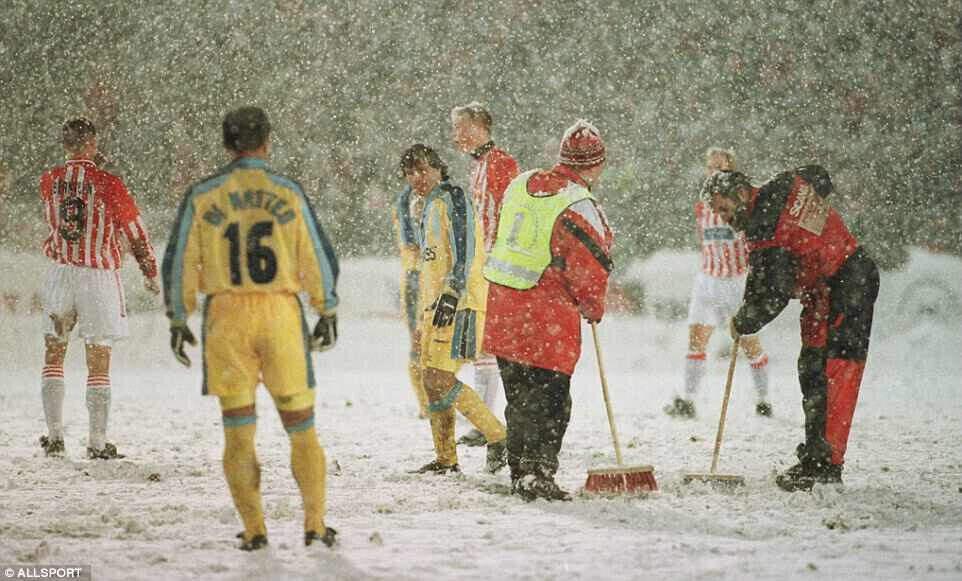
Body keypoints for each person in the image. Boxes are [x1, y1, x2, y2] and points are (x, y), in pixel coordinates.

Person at [161, 107, 339, 550]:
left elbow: (179, 258)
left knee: (238, 430)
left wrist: (178, 316)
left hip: (227, 316)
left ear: (227, 143)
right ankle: (314, 526)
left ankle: (256, 529)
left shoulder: (204, 194)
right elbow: (317, 254)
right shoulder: (288, 192)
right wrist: (326, 308)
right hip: (280, 312)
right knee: (302, 427)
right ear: (268, 141)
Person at [703, 167, 879, 492]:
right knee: (812, 369)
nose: (725, 219)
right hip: (829, 287)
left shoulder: (763, 227)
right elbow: (821, 177)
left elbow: (774, 292)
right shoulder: (785, 183)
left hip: (844, 284)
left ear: (741, 194)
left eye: (725, 209)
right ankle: (816, 457)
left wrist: (743, 321)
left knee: (831, 373)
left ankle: (825, 466)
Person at [483, 120, 613, 501]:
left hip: (504, 310)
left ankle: (519, 470)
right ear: (596, 165)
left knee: (519, 399)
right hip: (545, 319)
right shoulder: (580, 204)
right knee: (551, 403)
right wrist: (593, 305)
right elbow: (592, 264)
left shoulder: (519, 183)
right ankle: (538, 472)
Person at [38, 117, 159, 460]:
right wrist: (149, 269)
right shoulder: (108, 184)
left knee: (54, 354)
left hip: (61, 274)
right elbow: (134, 230)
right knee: (99, 358)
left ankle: (55, 435)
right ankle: (96, 441)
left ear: (65, 145)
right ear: (92, 143)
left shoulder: (49, 181)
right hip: (97, 277)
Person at [398, 144, 508, 475]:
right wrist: (422, 313)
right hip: (435, 307)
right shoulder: (425, 206)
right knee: (429, 378)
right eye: (411, 172)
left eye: (423, 169)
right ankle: (446, 459)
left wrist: (453, 290)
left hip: (459, 303)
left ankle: (499, 437)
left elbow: (465, 247)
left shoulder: (453, 197)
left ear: (438, 168)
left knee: (438, 377)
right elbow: (427, 265)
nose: (418, 177)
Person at [665, 147, 773, 419]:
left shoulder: (741, 201)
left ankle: (763, 398)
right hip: (707, 277)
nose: (713, 173)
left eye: (720, 168)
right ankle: (688, 400)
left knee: (749, 343)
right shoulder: (702, 205)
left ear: (731, 170)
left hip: (735, 280)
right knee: (696, 340)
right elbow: (704, 240)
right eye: (709, 168)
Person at [450, 102, 520, 446]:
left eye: (461, 127)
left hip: (496, 265)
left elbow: (511, 210)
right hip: (482, 264)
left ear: (480, 126)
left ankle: (490, 421)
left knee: (489, 343)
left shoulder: (501, 163)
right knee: (483, 344)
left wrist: (501, 256)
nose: (456, 136)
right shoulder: (478, 166)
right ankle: (486, 419)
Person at [391, 182, 429, 417]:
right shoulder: (407, 200)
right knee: (419, 340)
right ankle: (427, 405)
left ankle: (432, 402)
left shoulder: (438, 196)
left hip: (428, 276)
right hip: (419, 277)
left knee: (431, 345)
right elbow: (412, 244)